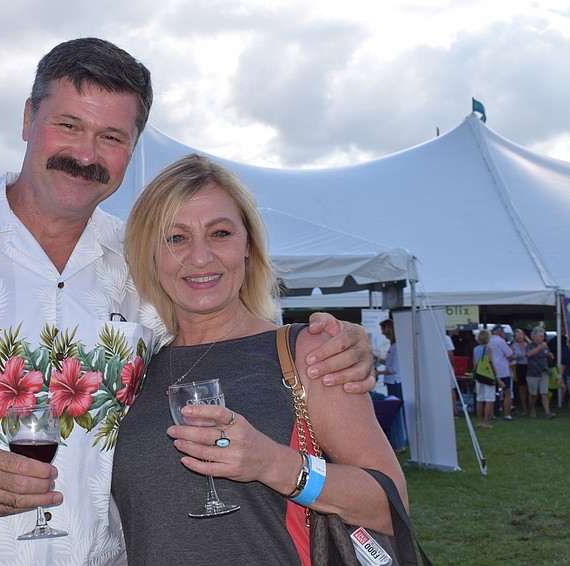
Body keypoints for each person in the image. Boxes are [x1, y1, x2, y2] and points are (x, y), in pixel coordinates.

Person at [0, 38, 376, 565]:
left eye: (111, 137)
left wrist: (329, 345)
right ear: (27, 118)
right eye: (67, 125)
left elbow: (228, 338)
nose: (85, 153)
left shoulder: (145, 262)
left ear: (132, 148)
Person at [111, 154, 406, 565]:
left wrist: (275, 464)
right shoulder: (135, 367)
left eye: (220, 233)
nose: (200, 257)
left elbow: (389, 506)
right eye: (175, 238)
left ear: (247, 245)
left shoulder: (306, 353)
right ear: (150, 253)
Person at [378, 318, 407, 452]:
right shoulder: (393, 346)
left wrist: (377, 372)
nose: (382, 333)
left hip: (395, 382)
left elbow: (394, 369)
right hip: (391, 382)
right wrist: (378, 360)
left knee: (396, 414)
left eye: (383, 329)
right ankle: (399, 442)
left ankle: (400, 443)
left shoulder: (397, 347)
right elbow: (390, 364)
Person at [526, 327, 555, 418]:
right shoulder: (530, 345)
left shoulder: (545, 346)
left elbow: (548, 357)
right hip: (533, 373)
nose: (542, 338)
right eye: (540, 336)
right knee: (533, 394)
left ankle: (547, 412)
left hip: (544, 371)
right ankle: (532, 408)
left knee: (544, 393)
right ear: (534, 337)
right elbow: (528, 354)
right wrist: (539, 347)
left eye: (543, 336)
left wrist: (550, 356)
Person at [488, 324, 514, 421]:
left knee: (491, 393)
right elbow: (510, 355)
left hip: (491, 369)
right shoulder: (500, 341)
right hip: (502, 370)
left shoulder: (488, 341)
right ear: (498, 331)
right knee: (507, 392)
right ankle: (507, 414)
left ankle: (492, 414)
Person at [473, 329, 496, 428]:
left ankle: (479, 420)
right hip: (487, 375)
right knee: (489, 399)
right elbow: (490, 362)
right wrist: (495, 373)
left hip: (478, 375)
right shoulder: (489, 349)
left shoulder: (475, 349)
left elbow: (475, 363)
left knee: (479, 399)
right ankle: (486, 422)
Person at [511, 328, 530, 415]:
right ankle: (524, 408)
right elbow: (510, 356)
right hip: (519, 367)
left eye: (520, 335)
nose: (519, 337)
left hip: (529, 367)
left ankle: (531, 407)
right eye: (517, 336)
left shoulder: (529, 344)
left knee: (530, 387)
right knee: (522, 388)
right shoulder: (513, 345)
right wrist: (518, 356)